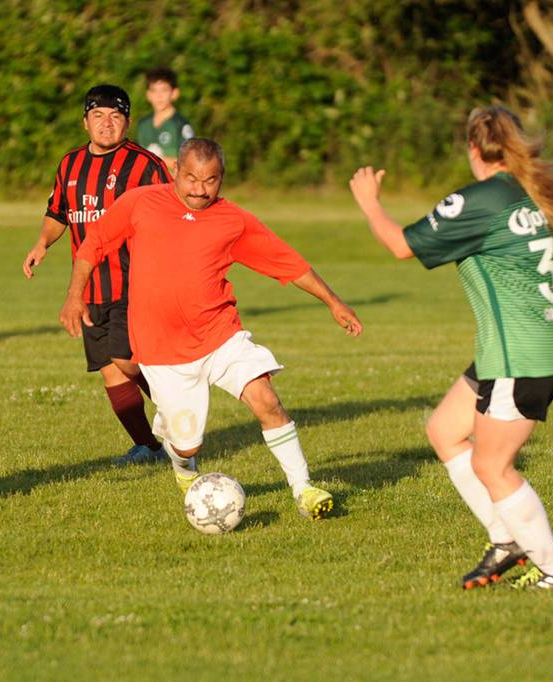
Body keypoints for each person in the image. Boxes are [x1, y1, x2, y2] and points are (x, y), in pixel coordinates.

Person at [349, 105, 553, 589]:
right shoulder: (545, 194)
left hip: (520, 358)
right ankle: (506, 539)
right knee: (444, 431)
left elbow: (400, 245)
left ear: (474, 149)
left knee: (491, 465)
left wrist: (369, 202)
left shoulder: (481, 201)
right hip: (517, 351)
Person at [60, 138, 363, 520]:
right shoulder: (141, 203)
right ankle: (184, 468)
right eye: (191, 179)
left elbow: (287, 262)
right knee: (187, 447)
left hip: (220, 337)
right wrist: (75, 295)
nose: (200, 190)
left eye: (211, 181)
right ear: (174, 172)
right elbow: (93, 245)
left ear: (222, 178)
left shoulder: (233, 220)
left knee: (266, 399)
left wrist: (333, 301)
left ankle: (304, 489)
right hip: (161, 351)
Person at [23, 84, 172, 466]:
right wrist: (42, 244)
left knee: (124, 358)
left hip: (134, 283)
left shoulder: (144, 165)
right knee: (109, 371)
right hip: (89, 288)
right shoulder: (70, 164)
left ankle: (181, 416)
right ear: (85, 121)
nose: (107, 124)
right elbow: (59, 212)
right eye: (99, 116)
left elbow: (169, 220)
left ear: (127, 122)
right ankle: (150, 447)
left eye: (116, 117)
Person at [136, 67, 194, 174]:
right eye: (154, 90)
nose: (159, 96)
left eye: (164, 90)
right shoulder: (143, 124)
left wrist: (157, 158)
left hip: (171, 185)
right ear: (148, 94)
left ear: (174, 93)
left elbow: (188, 163)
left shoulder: (180, 125)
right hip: (147, 186)